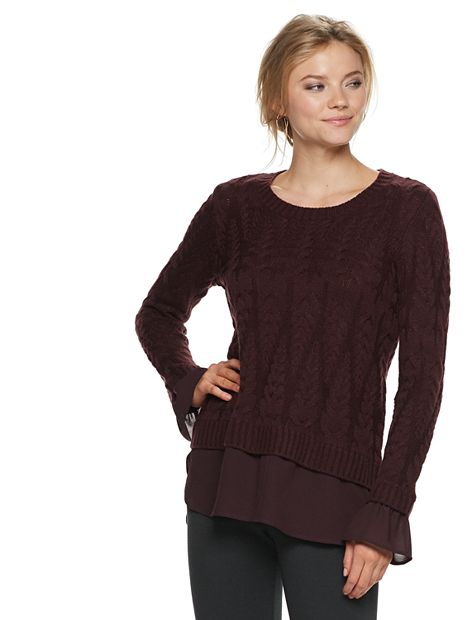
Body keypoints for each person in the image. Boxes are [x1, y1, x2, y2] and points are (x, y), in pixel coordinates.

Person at [135, 13, 451, 620]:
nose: (340, 100)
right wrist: (187, 378)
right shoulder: (237, 206)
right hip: (227, 480)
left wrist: (386, 511)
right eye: (315, 85)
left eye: (353, 82)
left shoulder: (407, 212)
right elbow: (159, 312)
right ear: (278, 100)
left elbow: (421, 382)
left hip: (338, 495)